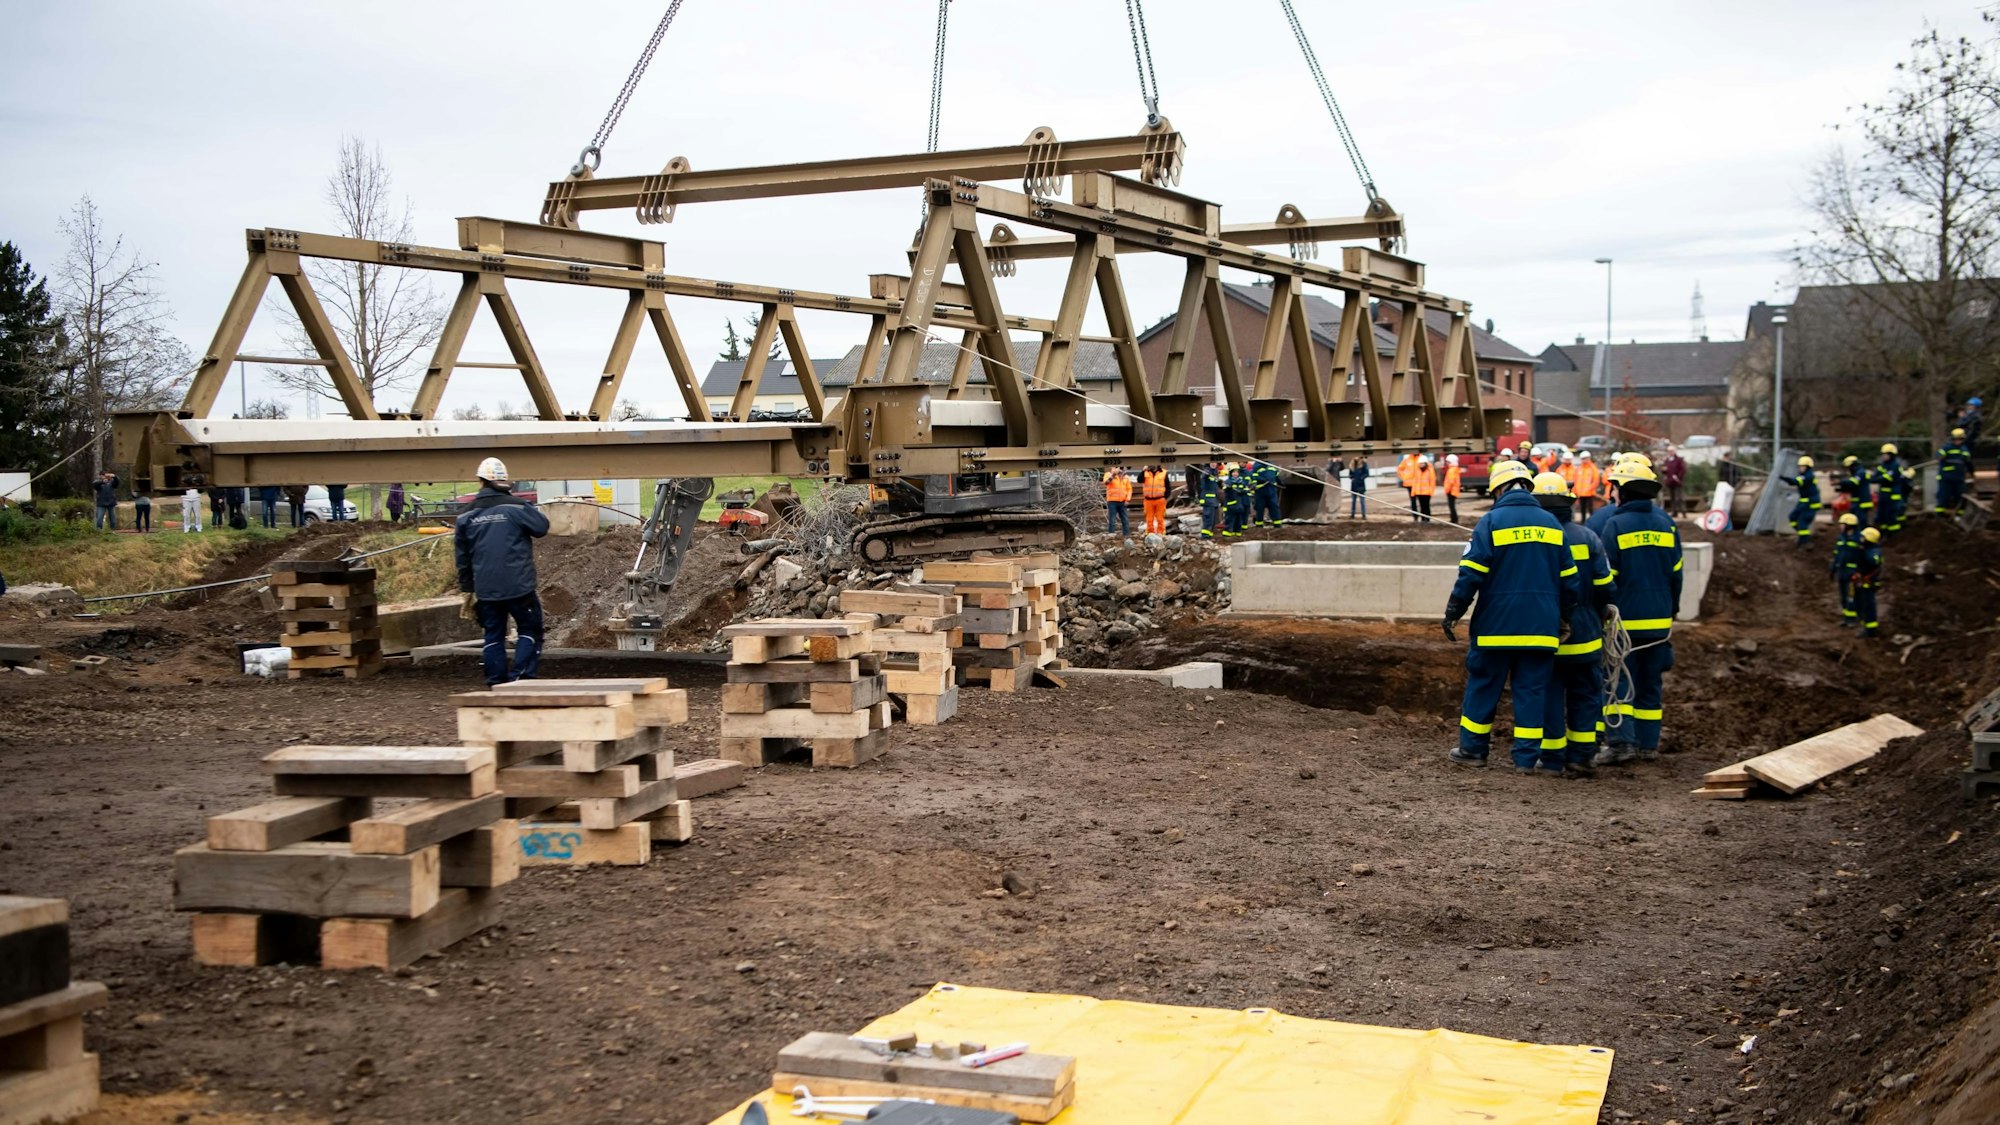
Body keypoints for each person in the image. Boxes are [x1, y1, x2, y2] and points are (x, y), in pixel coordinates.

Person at [1442, 460, 1579, 770]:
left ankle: (1474, 750)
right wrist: (1564, 618)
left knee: (1483, 685)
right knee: (1531, 692)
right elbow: (1571, 581)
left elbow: (1470, 574)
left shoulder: (1490, 522)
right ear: (1527, 487)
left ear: (1499, 489)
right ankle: (1526, 760)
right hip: (1541, 627)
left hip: (1495, 627)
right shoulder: (1552, 525)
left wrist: (1453, 611)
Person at [1596, 460, 1683, 765]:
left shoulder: (1615, 525)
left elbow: (1607, 580)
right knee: (1650, 683)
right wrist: (1671, 608)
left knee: (1618, 680)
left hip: (1625, 623)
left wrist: (1601, 614)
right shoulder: (1666, 523)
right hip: (1659, 621)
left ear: (1621, 490)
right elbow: (1676, 574)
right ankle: (1648, 744)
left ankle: (1621, 743)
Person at [1531, 471, 1616, 778]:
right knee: (1585, 693)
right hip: (1586, 633)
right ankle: (1581, 757)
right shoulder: (1588, 537)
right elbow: (1606, 586)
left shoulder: (1537, 539)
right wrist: (1600, 609)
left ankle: (1552, 760)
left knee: (1550, 695)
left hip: (1547, 634)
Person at [454, 456, 550, 686]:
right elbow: (541, 527)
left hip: (486, 589)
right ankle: (520, 679)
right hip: (519, 586)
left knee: (493, 635)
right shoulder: (517, 507)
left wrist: (467, 589)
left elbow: (462, 557)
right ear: (506, 482)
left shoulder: (466, 515)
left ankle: (496, 683)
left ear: (481, 482)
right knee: (529, 629)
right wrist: (526, 507)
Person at [1779, 455, 1822, 546]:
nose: (1800, 468)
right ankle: (1803, 536)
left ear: (1807, 467)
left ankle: (1805, 543)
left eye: (1802, 466)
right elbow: (1797, 480)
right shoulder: (1803, 475)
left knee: (1803, 522)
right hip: (1804, 502)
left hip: (1811, 503)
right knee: (1792, 517)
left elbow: (1795, 481)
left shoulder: (1808, 476)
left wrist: (1785, 478)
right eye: (1799, 466)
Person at [1851, 526, 1885, 639]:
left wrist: (1864, 552)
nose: (1860, 538)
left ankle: (1870, 629)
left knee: (1868, 606)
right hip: (1861, 582)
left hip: (1868, 583)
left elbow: (1874, 561)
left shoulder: (1873, 551)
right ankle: (1864, 624)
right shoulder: (1864, 549)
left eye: (1863, 537)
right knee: (1860, 604)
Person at [1830, 512, 1863, 626]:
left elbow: (1862, 557)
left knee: (1851, 596)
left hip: (1852, 573)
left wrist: (1859, 572)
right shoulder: (1841, 538)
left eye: (1843, 524)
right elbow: (1837, 555)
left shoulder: (1859, 539)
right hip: (1842, 572)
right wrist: (1833, 569)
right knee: (1843, 596)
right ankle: (1846, 617)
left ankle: (1852, 619)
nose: (1840, 526)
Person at [1937, 429, 1973, 514]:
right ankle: (1940, 514)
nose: (1958, 441)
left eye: (1960, 439)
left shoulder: (1964, 449)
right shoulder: (1946, 447)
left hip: (1959, 478)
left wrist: (1971, 472)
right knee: (1943, 496)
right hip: (1946, 478)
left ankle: (1960, 514)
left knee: (1960, 497)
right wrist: (1942, 457)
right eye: (1956, 439)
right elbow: (1939, 455)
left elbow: (1968, 462)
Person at [1872, 444, 1905, 533]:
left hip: (1892, 496)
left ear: (1891, 455)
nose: (1883, 456)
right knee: (1881, 515)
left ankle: (1894, 534)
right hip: (1883, 495)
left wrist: (1878, 478)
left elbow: (1887, 479)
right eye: (1883, 454)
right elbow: (1874, 477)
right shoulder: (1882, 466)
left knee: (1891, 516)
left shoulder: (1895, 466)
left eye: (1886, 454)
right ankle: (1883, 533)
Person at [1836, 456, 1875, 526]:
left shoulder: (1860, 473)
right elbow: (1854, 486)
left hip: (1862, 503)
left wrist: (1840, 482)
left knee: (1860, 523)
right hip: (1857, 502)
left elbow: (1853, 483)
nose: (1848, 469)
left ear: (1853, 466)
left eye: (1849, 467)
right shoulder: (1857, 473)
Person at [1101, 468, 1132, 537]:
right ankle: (1111, 536)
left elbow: (1129, 489)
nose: (1121, 469)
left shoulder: (1126, 477)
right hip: (1112, 501)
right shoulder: (1108, 474)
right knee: (1112, 520)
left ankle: (1126, 535)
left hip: (1123, 502)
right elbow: (1106, 482)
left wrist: (1128, 499)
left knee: (1125, 520)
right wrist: (1113, 474)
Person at [1227, 464, 1257, 536]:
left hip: (1239, 503)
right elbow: (1226, 491)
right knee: (1230, 519)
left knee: (1239, 518)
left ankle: (1238, 532)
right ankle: (1228, 532)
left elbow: (1246, 489)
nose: (1235, 474)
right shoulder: (1228, 481)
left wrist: (1243, 490)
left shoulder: (1241, 482)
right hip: (1231, 505)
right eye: (1233, 472)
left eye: (1237, 472)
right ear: (1231, 473)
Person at [1139, 465, 1169, 535]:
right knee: (1149, 519)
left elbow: (1167, 486)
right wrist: (1143, 471)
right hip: (1148, 500)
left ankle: (1161, 533)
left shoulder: (1164, 472)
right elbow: (1139, 480)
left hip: (1160, 499)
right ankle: (1150, 533)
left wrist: (1165, 497)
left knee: (1160, 518)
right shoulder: (1145, 472)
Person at [1251, 460, 1282, 527]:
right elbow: (1254, 476)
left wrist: (1281, 483)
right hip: (1261, 491)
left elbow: (1277, 476)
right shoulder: (1256, 466)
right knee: (1260, 508)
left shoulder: (1273, 466)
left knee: (1274, 507)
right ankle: (1259, 525)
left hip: (1272, 491)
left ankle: (1277, 524)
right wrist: (1263, 480)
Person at [1659, 445, 1688, 516]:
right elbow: (1664, 470)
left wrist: (1678, 477)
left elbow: (1683, 470)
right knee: (1672, 497)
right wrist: (1664, 470)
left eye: (1671, 451)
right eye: (1669, 451)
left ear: (1675, 451)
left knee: (1679, 497)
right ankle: (1675, 511)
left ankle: (1683, 511)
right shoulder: (1667, 460)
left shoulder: (1679, 460)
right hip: (1670, 481)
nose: (1670, 452)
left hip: (1677, 481)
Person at [1573, 452, 1601, 522]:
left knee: (1590, 509)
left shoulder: (1593, 468)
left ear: (1588, 458)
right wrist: (1576, 490)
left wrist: (1590, 489)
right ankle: (1583, 521)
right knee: (1582, 509)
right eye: (1582, 459)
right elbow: (1576, 480)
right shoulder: (1579, 468)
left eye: (1585, 459)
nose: (1583, 460)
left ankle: (1592, 521)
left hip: (1589, 493)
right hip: (1581, 493)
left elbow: (1596, 481)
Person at [1408, 454, 1436, 522]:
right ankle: (1423, 519)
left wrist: (1431, 491)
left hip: (1427, 493)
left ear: (1425, 463)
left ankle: (1427, 519)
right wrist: (1413, 492)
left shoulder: (1430, 471)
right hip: (1419, 492)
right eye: (1420, 464)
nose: (1420, 465)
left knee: (1426, 506)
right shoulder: (1417, 471)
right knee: (1422, 507)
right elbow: (1415, 482)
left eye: (1422, 463)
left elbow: (1432, 482)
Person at [1198, 463, 1220, 538]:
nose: (1214, 464)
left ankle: (1209, 535)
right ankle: (1205, 536)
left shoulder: (1215, 472)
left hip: (1213, 500)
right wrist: (1206, 474)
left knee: (1212, 520)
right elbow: (1203, 478)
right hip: (1208, 500)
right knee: (1208, 518)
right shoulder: (1206, 471)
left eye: (1215, 462)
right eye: (1212, 462)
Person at [1396, 453, 1419, 519]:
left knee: (1421, 501)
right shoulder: (1407, 459)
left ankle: (1424, 517)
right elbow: (1400, 469)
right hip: (1410, 484)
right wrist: (1404, 477)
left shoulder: (1421, 459)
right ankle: (1415, 516)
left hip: (1419, 484)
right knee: (1413, 501)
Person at [1441, 454, 1462, 524]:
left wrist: (1447, 490)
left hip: (1451, 491)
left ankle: (1454, 519)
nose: (1446, 463)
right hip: (1453, 491)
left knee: (1451, 506)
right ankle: (1454, 519)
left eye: (1447, 462)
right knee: (1452, 506)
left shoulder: (1451, 470)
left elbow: (1450, 481)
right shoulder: (1454, 469)